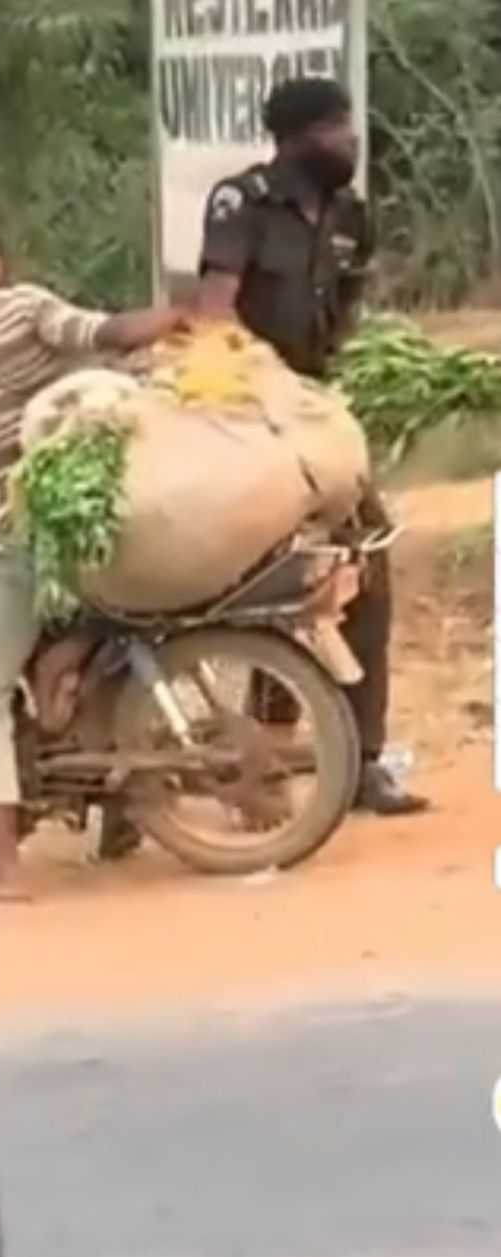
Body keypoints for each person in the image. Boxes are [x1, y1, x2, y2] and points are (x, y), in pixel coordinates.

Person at [0, 221, 190, 899]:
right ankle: (115, 797)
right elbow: (110, 333)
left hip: (18, 531)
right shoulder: (21, 307)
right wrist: (189, 312)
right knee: (78, 622)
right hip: (96, 518)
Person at [196, 77, 428, 816]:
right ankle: (266, 767)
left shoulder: (351, 215)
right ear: (295, 137)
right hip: (253, 417)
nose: (349, 141)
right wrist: (254, 395)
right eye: (334, 127)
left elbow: (347, 309)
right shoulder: (242, 204)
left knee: (365, 574)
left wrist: (343, 377)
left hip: (319, 416)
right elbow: (211, 319)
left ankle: (359, 762)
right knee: (278, 588)